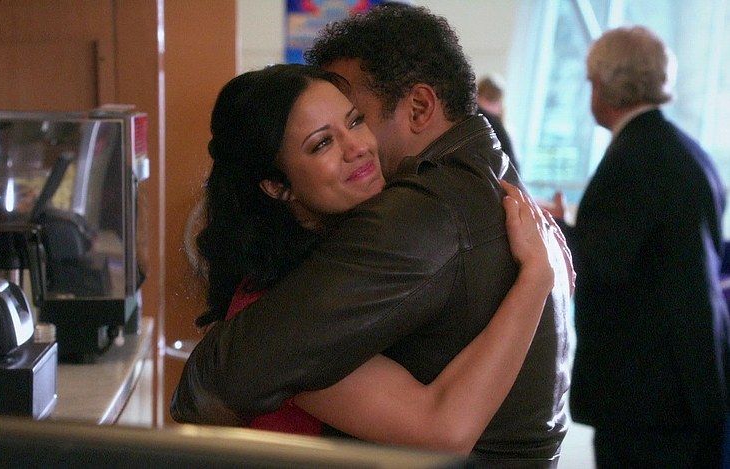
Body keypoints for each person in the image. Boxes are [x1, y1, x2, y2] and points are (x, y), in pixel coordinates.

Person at [172, 7, 573, 466]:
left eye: (355, 119)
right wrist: (536, 281)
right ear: (278, 186)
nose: (358, 147)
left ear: (420, 107)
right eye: (322, 143)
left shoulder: (423, 209)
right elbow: (442, 429)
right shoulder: (293, 291)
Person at [548, 26, 729, 468]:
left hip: (646, 391)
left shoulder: (632, 159)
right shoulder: (686, 152)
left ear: (606, 84)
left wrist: (553, 230)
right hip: (691, 377)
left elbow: (602, 263)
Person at [477, 74, 518, 171]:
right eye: (489, 99)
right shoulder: (473, 121)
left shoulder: (505, 130)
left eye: (495, 101)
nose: (492, 106)